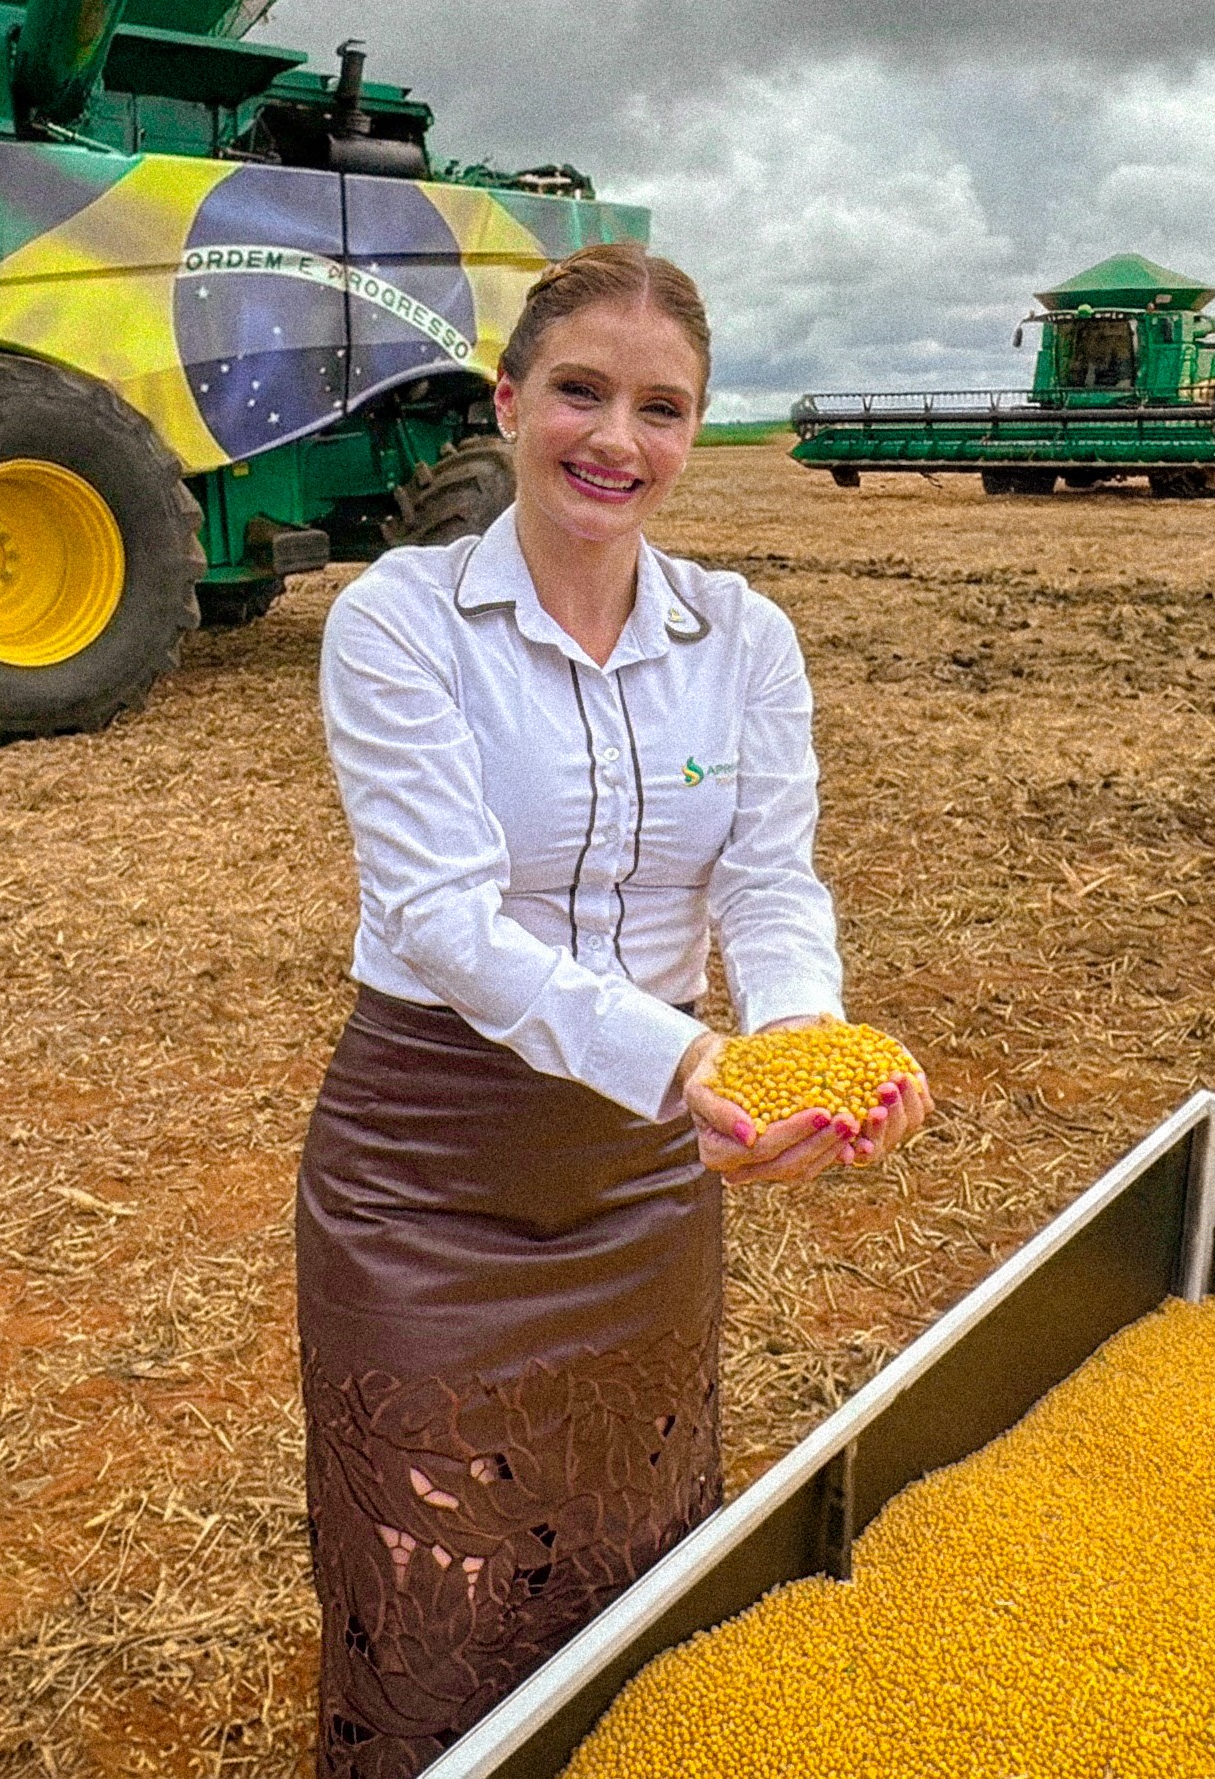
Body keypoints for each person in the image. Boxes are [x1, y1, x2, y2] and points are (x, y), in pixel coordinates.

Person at [302, 243, 931, 1774]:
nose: (616, 439)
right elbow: (445, 920)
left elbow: (772, 882)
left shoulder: (745, 640)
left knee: (635, 1526)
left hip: (647, 1169)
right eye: (581, 391)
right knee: (428, 1564)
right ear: (510, 401)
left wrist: (800, 1042)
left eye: (662, 407)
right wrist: (694, 1061)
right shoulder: (401, 621)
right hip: (430, 1164)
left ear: (693, 432)